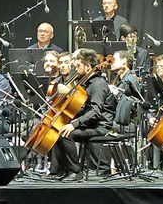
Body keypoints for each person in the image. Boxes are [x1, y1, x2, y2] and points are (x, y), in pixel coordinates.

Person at [46, 49, 113, 181]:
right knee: (60, 129)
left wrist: (73, 124)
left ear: (88, 67)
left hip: (101, 125)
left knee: (67, 134)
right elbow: (83, 108)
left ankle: (75, 171)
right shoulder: (86, 83)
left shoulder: (98, 84)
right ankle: (62, 169)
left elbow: (95, 112)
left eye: (78, 66)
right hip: (91, 123)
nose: (75, 70)